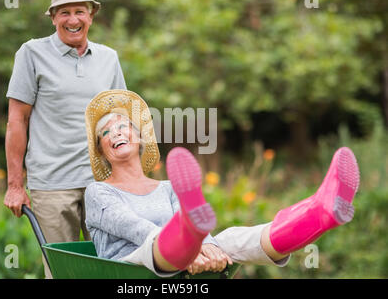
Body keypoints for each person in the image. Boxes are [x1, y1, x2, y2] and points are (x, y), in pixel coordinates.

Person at [84, 90, 360, 277]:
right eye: (106, 132)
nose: (115, 133)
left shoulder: (168, 188)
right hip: (130, 265)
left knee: (234, 239)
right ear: (102, 149)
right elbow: (134, 227)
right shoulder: (98, 191)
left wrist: (210, 245)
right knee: (151, 246)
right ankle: (188, 236)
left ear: (139, 137)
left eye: (123, 127)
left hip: (181, 257)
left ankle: (318, 212)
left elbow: (206, 237)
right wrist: (192, 250)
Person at [3, 0, 126, 278]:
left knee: (113, 268)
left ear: (91, 15)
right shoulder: (32, 54)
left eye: (80, 11)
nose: (73, 20)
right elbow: (17, 121)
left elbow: (120, 119)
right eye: (65, 12)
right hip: (53, 185)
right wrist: (15, 185)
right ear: (54, 17)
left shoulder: (108, 58)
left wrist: (130, 176)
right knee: (64, 273)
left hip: (104, 184)